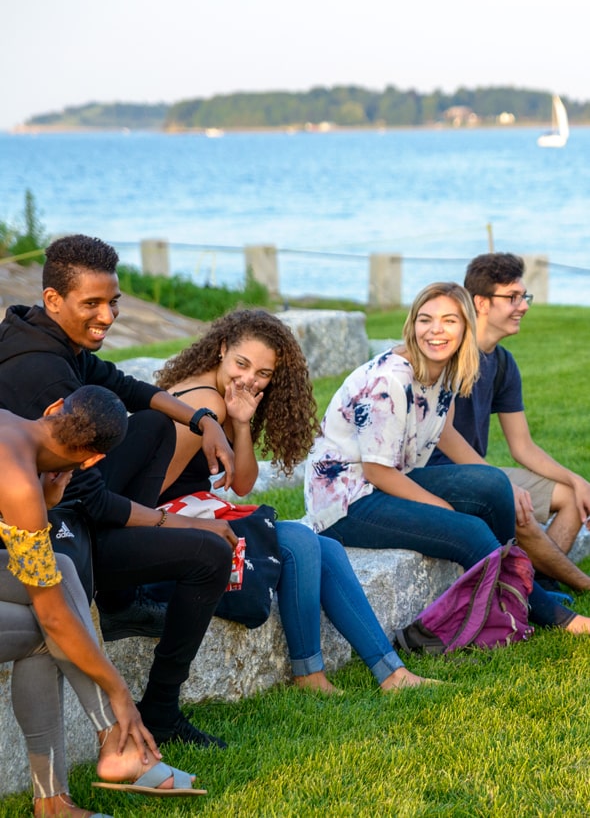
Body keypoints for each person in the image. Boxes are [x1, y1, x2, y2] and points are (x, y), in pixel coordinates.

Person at [0, 234, 237, 747]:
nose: (107, 316)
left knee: (153, 424)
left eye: (113, 302)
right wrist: (189, 525)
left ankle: (124, 599)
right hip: (62, 526)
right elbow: (95, 502)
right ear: (54, 301)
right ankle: (162, 711)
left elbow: (128, 387)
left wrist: (202, 420)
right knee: (208, 555)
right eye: (92, 304)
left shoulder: (51, 338)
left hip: (69, 499)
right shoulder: (40, 372)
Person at [155, 308, 435, 694]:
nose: (249, 379)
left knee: (328, 548)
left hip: (196, 512)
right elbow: (148, 491)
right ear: (221, 350)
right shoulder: (205, 402)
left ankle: (391, 672)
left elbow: (241, 483)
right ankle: (310, 675)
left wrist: (240, 424)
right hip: (170, 530)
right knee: (299, 542)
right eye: (242, 363)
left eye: (263, 374)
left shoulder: (226, 400)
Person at [304, 281, 590, 635]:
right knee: (470, 531)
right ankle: (556, 617)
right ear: (412, 325)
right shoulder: (389, 381)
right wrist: (439, 507)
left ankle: (516, 593)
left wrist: (501, 483)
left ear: (466, 327)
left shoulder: (445, 371)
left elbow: (445, 432)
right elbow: (378, 472)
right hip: (346, 502)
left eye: (449, 321)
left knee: (494, 485)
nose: (436, 331)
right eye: (426, 320)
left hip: (385, 480)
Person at [0, 385, 204, 818]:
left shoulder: (7, 423)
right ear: (91, 460)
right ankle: (104, 752)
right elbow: (55, 618)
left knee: (61, 571)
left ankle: (86, 772)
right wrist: (119, 692)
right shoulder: (19, 482)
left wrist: (49, 500)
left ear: (54, 408)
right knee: (46, 628)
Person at [428, 253, 590, 593]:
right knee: (521, 512)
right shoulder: (450, 354)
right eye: (512, 297)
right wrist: (497, 482)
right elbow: (443, 436)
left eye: (523, 297)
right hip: (437, 476)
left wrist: (577, 481)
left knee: (574, 500)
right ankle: (579, 585)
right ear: (481, 303)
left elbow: (523, 446)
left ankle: (536, 585)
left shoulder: (502, 363)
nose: (524, 306)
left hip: (480, 473)